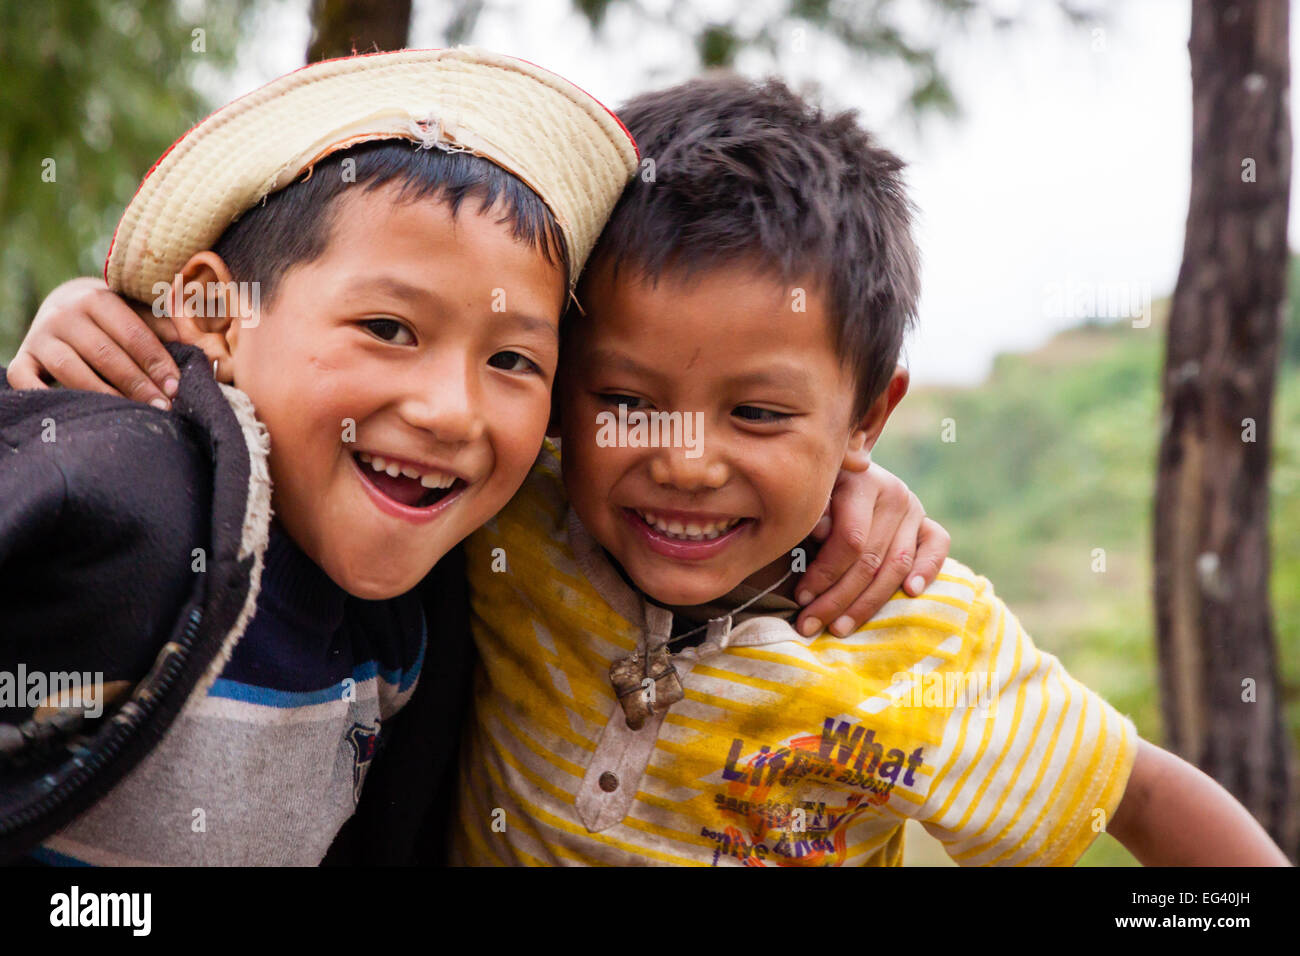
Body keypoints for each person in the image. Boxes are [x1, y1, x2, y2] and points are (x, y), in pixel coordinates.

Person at [3, 52, 951, 866]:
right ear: (216, 313)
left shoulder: (462, 561)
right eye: (387, 327)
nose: (452, 411)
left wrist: (839, 487)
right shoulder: (126, 505)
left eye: (512, 361)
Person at [448, 74, 1290, 865]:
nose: (687, 463)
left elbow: (1136, 791)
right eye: (628, 402)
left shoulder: (923, 642)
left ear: (869, 419)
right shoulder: (516, 511)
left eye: (758, 414)